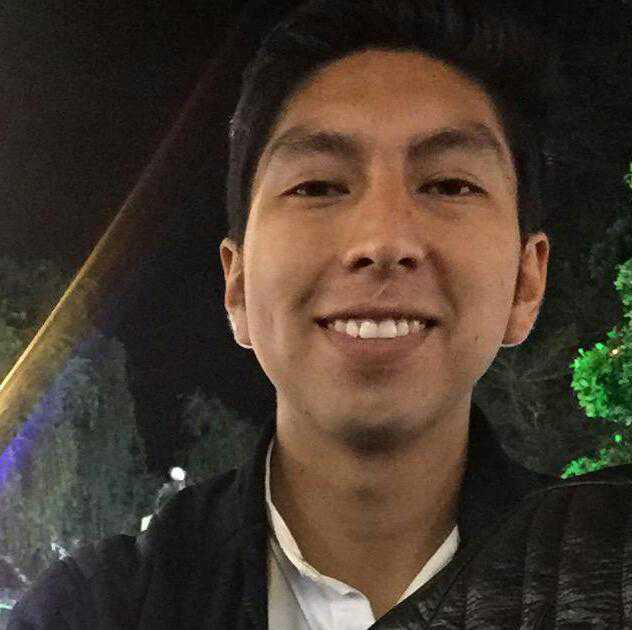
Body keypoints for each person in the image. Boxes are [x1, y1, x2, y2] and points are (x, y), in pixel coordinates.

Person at [9, 1, 632, 628]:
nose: (383, 240)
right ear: (237, 285)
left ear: (527, 281)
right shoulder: (93, 611)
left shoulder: (607, 581)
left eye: (449, 185)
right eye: (318, 186)